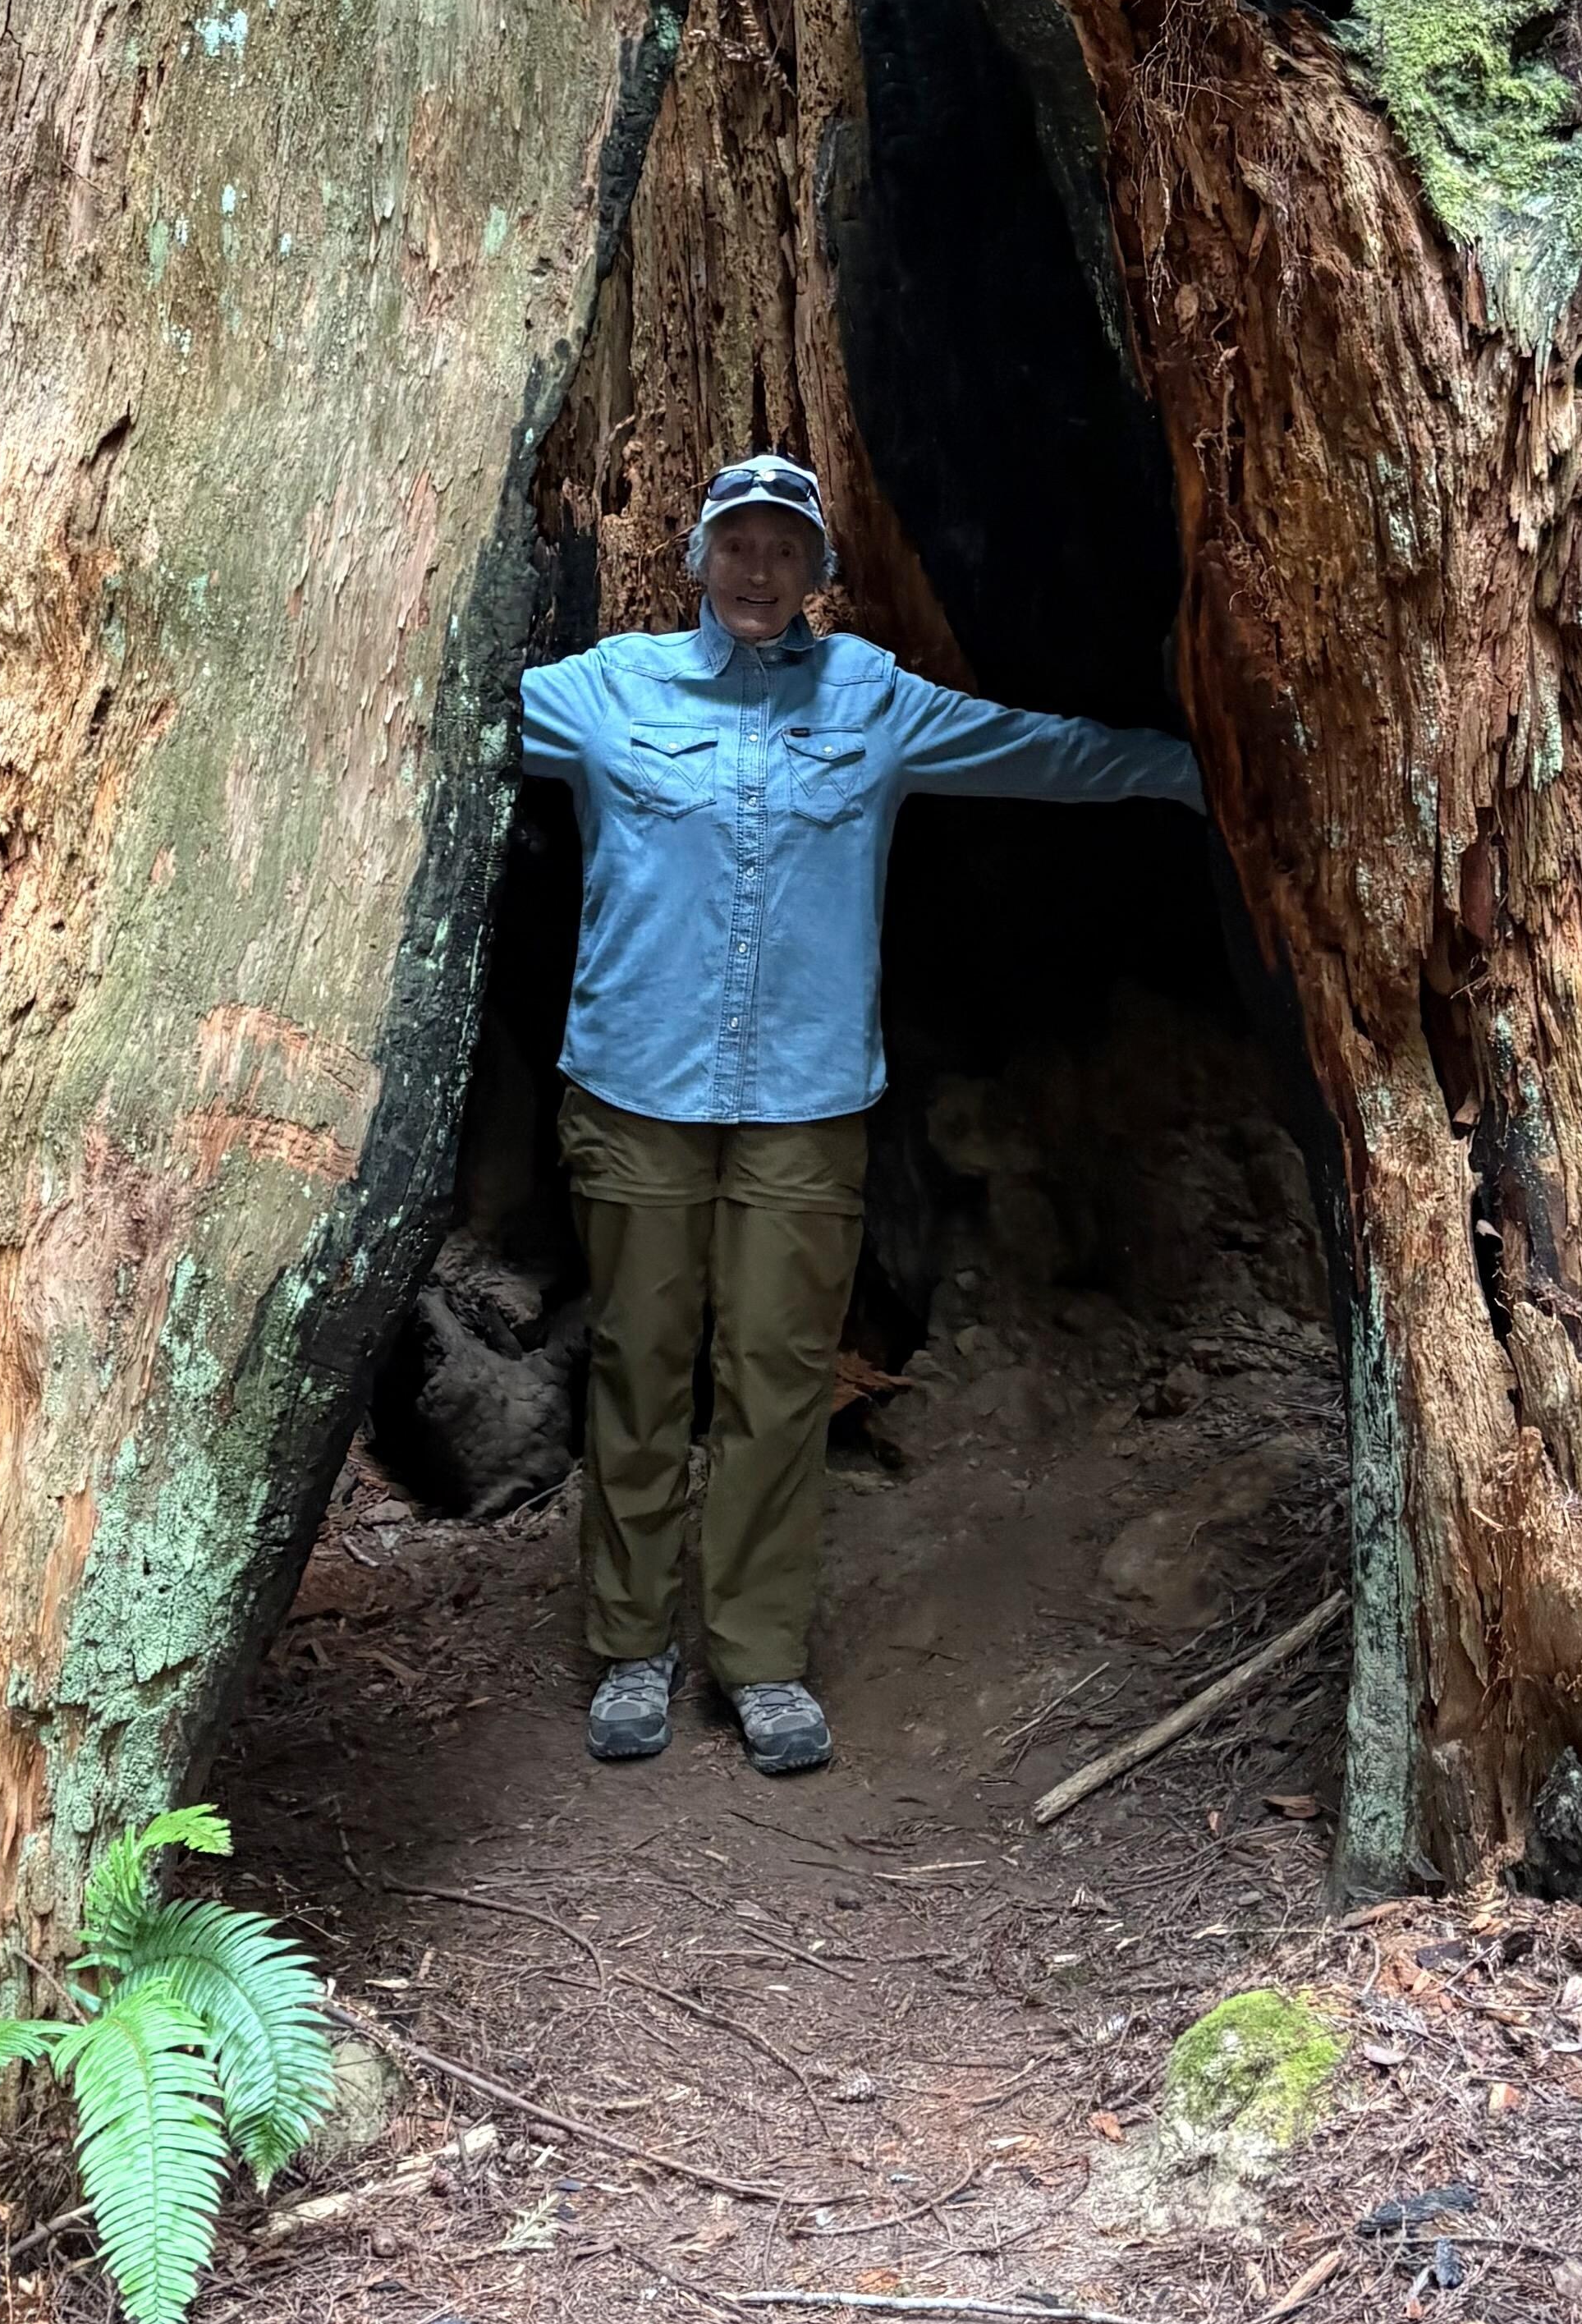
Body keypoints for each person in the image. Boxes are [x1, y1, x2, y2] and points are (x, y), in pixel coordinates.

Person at [516, 450, 1208, 1779]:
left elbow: (1040, 753)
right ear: (698, 558)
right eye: (737, 543)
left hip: (805, 1102)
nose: (758, 567)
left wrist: (1200, 769)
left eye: (784, 547)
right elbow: (437, 723)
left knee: (777, 1380)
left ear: (819, 569)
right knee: (640, 1370)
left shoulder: (873, 700)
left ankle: (761, 1659)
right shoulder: (604, 691)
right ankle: (632, 1648)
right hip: (635, 1095)